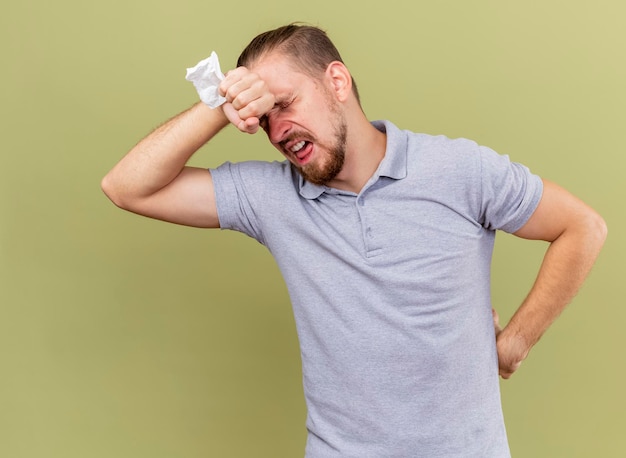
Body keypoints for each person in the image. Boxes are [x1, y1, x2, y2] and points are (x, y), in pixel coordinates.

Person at [101, 24, 607, 457]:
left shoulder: (460, 171)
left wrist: (515, 343)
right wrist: (218, 105)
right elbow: (125, 187)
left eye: (284, 103)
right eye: (261, 117)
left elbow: (582, 226)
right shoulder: (271, 196)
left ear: (337, 81)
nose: (277, 130)